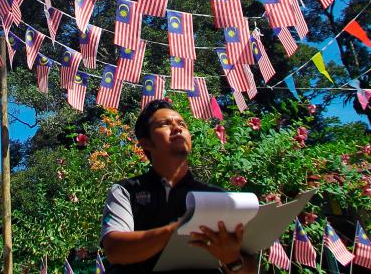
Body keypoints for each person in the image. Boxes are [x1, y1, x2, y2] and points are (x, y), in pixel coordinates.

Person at [100, 100, 259, 273]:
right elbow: (115, 250)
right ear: (146, 143)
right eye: (164, 124)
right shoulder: (126, 191)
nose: (177, 128)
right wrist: (176, 230)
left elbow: (249, 268)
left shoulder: (216, 196)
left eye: (182, 124)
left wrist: (232, 259)